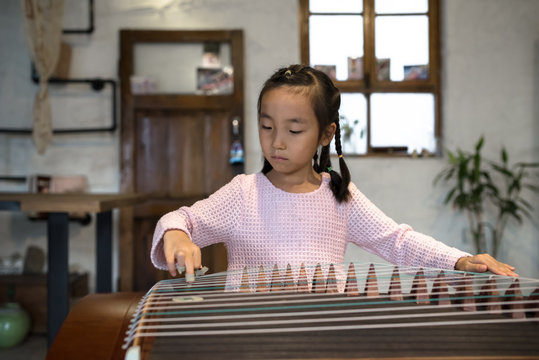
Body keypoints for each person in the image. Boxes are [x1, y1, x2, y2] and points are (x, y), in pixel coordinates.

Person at [150, 64, 517, 288]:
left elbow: (397, 241)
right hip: (252, 335)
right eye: (266, 126)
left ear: (325, 135)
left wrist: (459, 260)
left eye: (294, 131)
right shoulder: (243, 194)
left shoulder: (339, 197)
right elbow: (178, 219)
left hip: (322, 336)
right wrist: (179, 237)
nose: (277, 142)